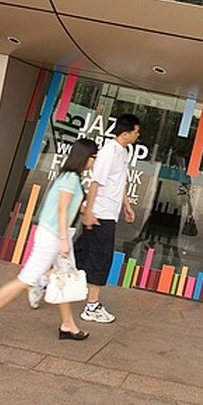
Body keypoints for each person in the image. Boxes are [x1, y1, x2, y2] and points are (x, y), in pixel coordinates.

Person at [0, 138, 99, 344]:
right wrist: (63, 241)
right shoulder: (70, 179)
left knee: (64, 278)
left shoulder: (71, 177)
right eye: (93, 157)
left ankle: (68, 324)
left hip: (56, 235)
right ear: (85, 157)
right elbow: (61, 210)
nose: (94, 162)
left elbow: (68, 207)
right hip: (53, 237)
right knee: (25, 280)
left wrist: (87, 213)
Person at [75, 113, 140, 323]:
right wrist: (89, 212)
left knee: (80, 253)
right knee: (100, 258)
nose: (138, 135)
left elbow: (118, 181)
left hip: (109, 213)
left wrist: (126, 205)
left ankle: (45, 279)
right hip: (100, 215)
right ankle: (91, 306)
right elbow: (96, 183)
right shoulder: (108, 153)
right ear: (125, 133)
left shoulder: (123, 152)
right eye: (136, 131)